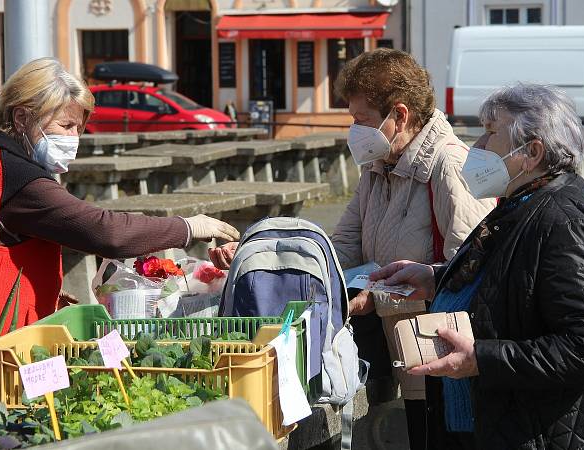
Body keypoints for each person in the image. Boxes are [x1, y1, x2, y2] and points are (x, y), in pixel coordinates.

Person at [210, 48, 496, 450]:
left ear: (399, 114)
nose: (354, 129)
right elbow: (342, 244)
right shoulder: (379, 166)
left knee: (433, 437)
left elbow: (470, 269)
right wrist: (270, 257)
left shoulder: (449, 167)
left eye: (361, 119)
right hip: (389, 338)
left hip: (436, 347)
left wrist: (381, 289)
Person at [0, 58, 240, 380]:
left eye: (79, 128)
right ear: (21, 118)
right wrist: (187, 227)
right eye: (65, 125)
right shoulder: (12, 176)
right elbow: (103, 230)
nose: (73, 138)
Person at [371, 83, 584, 449]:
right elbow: (513, 277)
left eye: (492, 132)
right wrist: (436, 278)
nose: (477, 145)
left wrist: (480, 358)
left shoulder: (563, 221)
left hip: (571, 432)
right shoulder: (526, 201)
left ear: (531, 152)